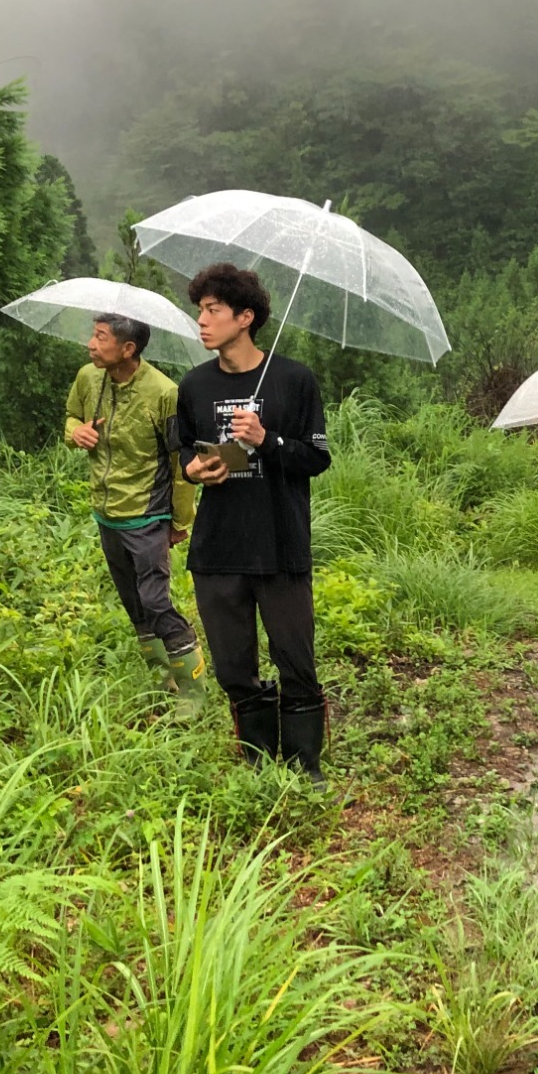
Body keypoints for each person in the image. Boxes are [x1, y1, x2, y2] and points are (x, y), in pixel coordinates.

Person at [176, 264, 333, 783]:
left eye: (213, 310)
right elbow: (183, 453)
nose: (201, 320)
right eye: (200, 309)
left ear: (245, 318)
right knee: (232, 669)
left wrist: (268, 439)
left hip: (280, 546)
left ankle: (305, 766)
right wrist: (194, 470)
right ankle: (260, 763)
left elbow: (316, 458)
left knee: (296, 662)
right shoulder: (194, 385)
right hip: (218, 550)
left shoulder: (294, 380)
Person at [64, 313, 202, 710]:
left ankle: (192, 694)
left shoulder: (164, 393)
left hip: (148, 513)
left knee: (156, 601)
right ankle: (161, 683)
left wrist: (180, 520)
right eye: (93, 335)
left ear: (128, 349)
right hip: (106, 511)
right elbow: (71, 415)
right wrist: (76, 432)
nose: (91, 344)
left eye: (101, 338)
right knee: (134, 604)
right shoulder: (88, 377)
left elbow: (180, 460)